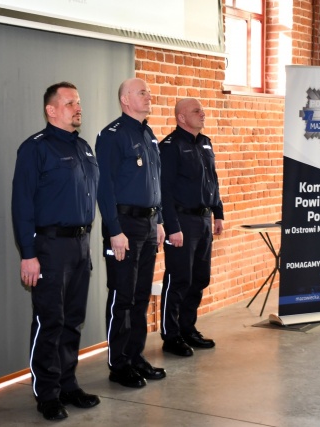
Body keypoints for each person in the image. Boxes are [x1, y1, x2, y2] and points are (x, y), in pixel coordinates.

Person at [11, 82, 100, 421]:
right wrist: (28, 253)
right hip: (49, 247)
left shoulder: (84, 148)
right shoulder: (35, 148)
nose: (78, 107)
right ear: (51, 110)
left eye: (78, 102)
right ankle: (47, 393)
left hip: (80, 245)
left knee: (73, 320)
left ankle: (67, 384)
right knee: (50, 320)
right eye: (70, 103)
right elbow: (22, 204)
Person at [96, 78, 166, 388]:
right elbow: (105, 187)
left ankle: (135, 356)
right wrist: (115, 230)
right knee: (122, 296)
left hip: (148, 226)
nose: (149, 96)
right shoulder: (112, 135)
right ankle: (119, 363)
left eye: (148, 92)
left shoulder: (148, 134)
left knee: (140, 296)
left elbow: (156, 181)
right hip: (124, 226)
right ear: (126, 99)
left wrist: (159, 220)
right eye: (142, 92)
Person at [159, 98, 224, 357]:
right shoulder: (170, 146)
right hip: (182, 222)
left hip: (204, 220)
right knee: (179, 279)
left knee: (199, 278)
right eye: (197, 111)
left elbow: (213, 180)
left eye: (203, 110)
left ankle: (188, 329)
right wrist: (172, 226)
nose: (203, 114)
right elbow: (164, 190)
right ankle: (171, 336)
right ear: (181, 117)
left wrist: (218, 213)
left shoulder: (205, 143)